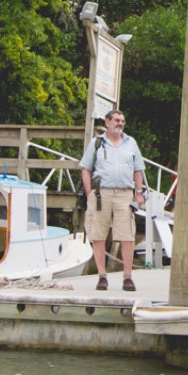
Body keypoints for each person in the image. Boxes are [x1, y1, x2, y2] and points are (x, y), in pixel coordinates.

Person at [79, 108, 146, 292]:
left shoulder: (131, 142)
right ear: (107, 123)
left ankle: (127, 277)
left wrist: (139, 192)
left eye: (122, 121)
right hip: (101, 193)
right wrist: (88, 192)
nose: (120, 123)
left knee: (127, 235)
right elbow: (85, 167)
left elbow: (138, 169)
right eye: (116, 120)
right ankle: (102, 276)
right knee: (98, 234)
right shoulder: (97, 142)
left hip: (125, 194)